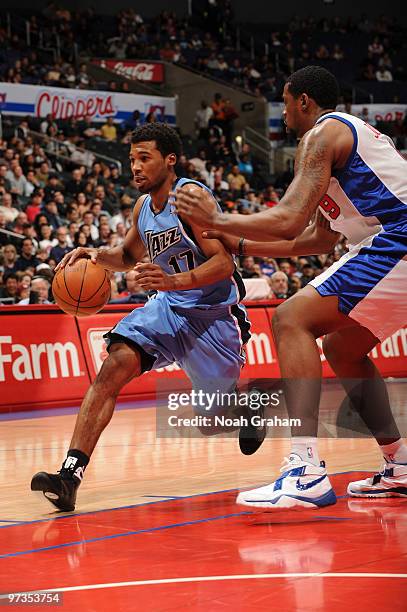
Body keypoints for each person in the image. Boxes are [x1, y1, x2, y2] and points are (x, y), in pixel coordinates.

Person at [174, 65, 407, 510]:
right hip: (393, 245)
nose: (283, 112)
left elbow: (287, 218)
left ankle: (305, 470)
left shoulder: (321, 135)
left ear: (304, 101)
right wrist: (241, 244)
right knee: (342, 349)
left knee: (290, 318)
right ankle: (399, 464)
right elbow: (316, 238)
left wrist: (216, 219)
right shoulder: (349, 144)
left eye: (285, 102)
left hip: (399, 240)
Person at [31, 123, 251, 512]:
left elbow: (223, 262)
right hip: (166, 309)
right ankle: (70, 476)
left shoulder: (192, 197)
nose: (134, 167)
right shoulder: (144, 207)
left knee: (211, 421)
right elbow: (129, 257)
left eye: (144, 158)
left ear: (170, 160)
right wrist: (94, 255)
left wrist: (174, 280)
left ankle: (246, 409)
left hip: (213, 317)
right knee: (113, 366)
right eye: (132, 159)